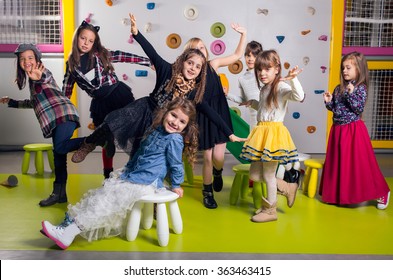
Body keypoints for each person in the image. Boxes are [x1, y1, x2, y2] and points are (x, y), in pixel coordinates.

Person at [71, 14, 246, 165]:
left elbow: (210, 112)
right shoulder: (167, 70)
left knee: (142, 151)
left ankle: (140, 180)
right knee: (114, 120)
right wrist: (136, 33)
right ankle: (89, 143)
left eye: (197, 67)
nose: (192, 68)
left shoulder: (193, 92)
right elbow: (151, 52)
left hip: (159, 122)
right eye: (190, 63)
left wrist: (230, 134)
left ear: (201, 71)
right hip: (144, 108)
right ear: (182, 61)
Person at [40, 98, 199, 249]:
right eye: (173, 115)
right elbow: (140, 152)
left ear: (186, 126)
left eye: (182, 121)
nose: (175, 122)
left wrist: (176, 184)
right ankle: (66, 225)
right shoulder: (156, 129)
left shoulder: (174, 140)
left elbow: (176, 163)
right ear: (166, 112)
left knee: (107, 202)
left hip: (146, 182)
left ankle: (68, 234)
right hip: (134, 174)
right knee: (99, 195)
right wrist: (128, 168)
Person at [63, 20, 151, 179]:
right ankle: (107, 175)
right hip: (100, 102)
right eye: (83, 38)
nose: (86, 43)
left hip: (118, 95)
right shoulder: (71, 65)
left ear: (94, 43)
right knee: (105, 139)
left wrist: (148, 62)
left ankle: (137, 168)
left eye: (90, 41)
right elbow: (66, 90)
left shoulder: (100, 54)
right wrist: (62, 108)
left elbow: (124, 56)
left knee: (133, 132)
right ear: (76, 38)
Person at [0, 44, 84, 207]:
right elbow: (34, 103)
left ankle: (97, 137)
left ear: (37, 60)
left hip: (63, 114)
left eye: (30, 58)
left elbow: (45, 77)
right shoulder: (32, 83)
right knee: (59, 158)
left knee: (59, 148)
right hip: (55, 120)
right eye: (22, 59)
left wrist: (38, 76)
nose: (26, 61)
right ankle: (59, 194)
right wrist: (12, 102)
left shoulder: (42, 73)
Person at [184, 23, 247, 209]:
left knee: (219, 157)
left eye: (202, 47)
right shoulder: (191, 74)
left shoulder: (213, 65)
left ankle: (218, 173)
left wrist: (244, 34)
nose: (199, 51)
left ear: (206, 51)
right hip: (204, 116)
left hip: (220, 114)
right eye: (195, 49)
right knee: (209, 157)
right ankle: (207, 192)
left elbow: (237, 55)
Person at [239, 50, 305, 223]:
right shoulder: (265, 88)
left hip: (273, 135)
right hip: (262, 132)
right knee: (254, 174)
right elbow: (265, 109)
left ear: (277, 69)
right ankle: (287, 187)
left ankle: (270, 210)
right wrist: (253, 104)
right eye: (259, 70)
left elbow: (299, 96)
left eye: (267, 69)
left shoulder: (281, 86)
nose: (262, 73)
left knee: (268, 175)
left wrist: (293, 79)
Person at [319, 51, 390, 209]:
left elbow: (358, 108)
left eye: (348, 67)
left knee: (361, 164)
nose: (344, 70)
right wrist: (329, 102)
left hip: (353, 131)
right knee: (339, 164)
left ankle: (382, 192)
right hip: (338, 130)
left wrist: (351, 94)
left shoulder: (360, 88)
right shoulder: (338, 88)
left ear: (359, 69)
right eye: (343, 67)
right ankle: (338, 194)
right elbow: (337, 108)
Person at [226, 40, 263, 128]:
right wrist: (227, 94)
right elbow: (244, 101)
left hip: (267, 120)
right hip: (254, 122)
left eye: (255, 56)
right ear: (244, 56)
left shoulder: (263, 75)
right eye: (248, 55)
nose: (251, 59)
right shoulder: (242, 79)